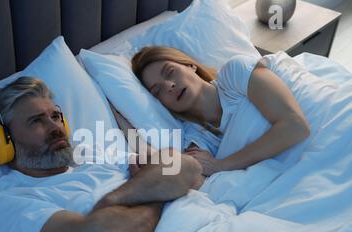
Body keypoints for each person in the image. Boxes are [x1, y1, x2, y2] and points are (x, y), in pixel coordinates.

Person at [0, 76, 203, 232]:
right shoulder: (9, 202)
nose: (56, 127)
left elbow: (187, 166)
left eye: (56, 116)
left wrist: (111, 202)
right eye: (36, 121)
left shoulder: (93, 155)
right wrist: (154, 188)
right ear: (2, 142)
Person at [131, 46, 311, 176]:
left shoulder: (235, 73)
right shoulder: (194, 137)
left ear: (189, 65)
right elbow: (191, 178)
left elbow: (296, 127)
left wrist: (222, 165)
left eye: (170, 72)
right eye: (157, 90)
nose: (169, 86)